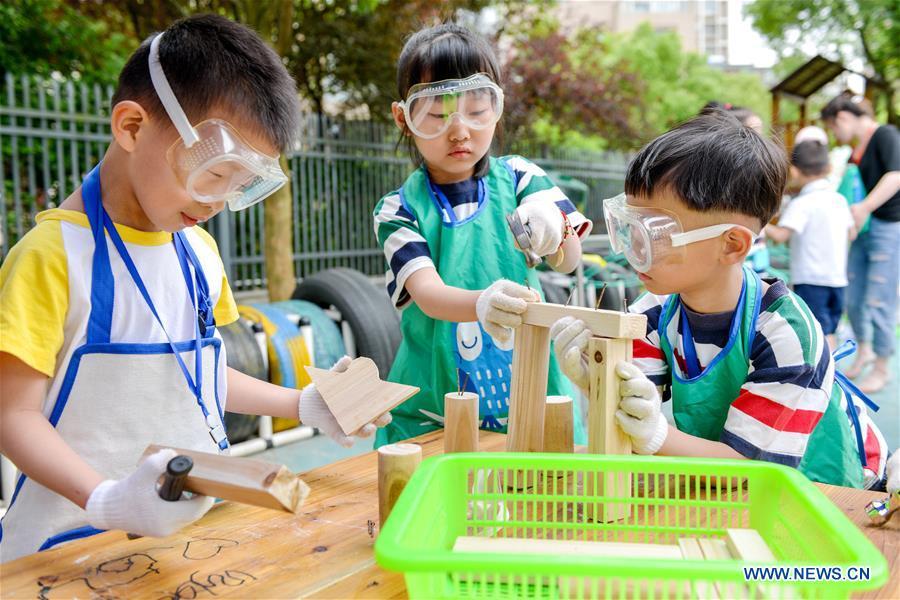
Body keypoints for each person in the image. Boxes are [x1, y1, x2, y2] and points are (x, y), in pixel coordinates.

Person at [0, 15, 389, 562]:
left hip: (185, 544)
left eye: (239, 184)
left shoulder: (198, 253)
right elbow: (13, 416)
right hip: (69, 546)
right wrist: (108, 500)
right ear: (132, 127)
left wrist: (305, 405)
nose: (216, 202)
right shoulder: (51, 259)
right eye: (214, 171)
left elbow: (195, 374)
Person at [549, 111, 887, 488]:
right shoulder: (652, 313)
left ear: (732, 244)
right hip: (724, 482)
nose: (634, 248)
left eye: (654, 233)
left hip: (834, 488)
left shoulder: (786, 336)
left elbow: (751, 469)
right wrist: (596, 380)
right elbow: (631, 407)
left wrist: (657, 436)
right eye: (629, 227)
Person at [372, 23, 592, 446]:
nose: (459, 131)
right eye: (436, 114)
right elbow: (429, 297)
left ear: (498, 108)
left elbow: (569, 260)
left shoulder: (524, 177)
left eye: (476, 111)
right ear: (403, 118)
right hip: (433, 407)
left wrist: (555, 231)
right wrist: (484, 303)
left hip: (531, 392)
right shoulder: (397, 209)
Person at [821, 93, 900, 393]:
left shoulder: (885, 134)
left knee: (880, 298)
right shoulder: (859, 150)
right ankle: (864, 349)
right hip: (865, 229)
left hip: (888, 227)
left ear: (842, 118)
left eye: (833, 128)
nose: (835, 135)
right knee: (852, 295)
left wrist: (864, 208)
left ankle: (882, 366)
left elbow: (896, 176)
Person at [765, 140, 856, 350]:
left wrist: (760, 225)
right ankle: (832, 374)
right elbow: (851, 232)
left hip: (811, 279)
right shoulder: (839, 200)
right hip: (837, 279)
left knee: (818, 333)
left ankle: (828, 377)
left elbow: (780, 235)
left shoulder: (802, 203)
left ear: (794, 171)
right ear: (829, 168)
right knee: (830, 330)